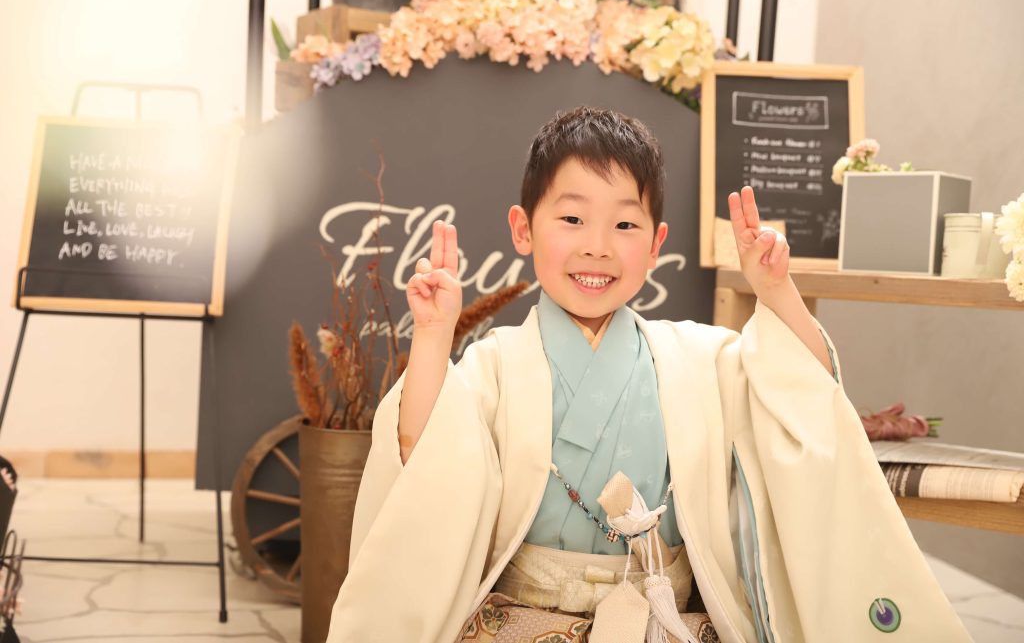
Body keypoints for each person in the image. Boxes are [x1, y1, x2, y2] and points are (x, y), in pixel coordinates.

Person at [326, 107, 973, 642]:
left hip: (665, 618)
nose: (597, 245)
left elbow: (801, 394)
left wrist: (776, 292)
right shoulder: (496, 366)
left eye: (625, 224)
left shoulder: (699, 356)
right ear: (523, 229)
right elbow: (425, 459)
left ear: (657, 244)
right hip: (521, 620)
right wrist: (434, 336)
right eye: (572, 219)